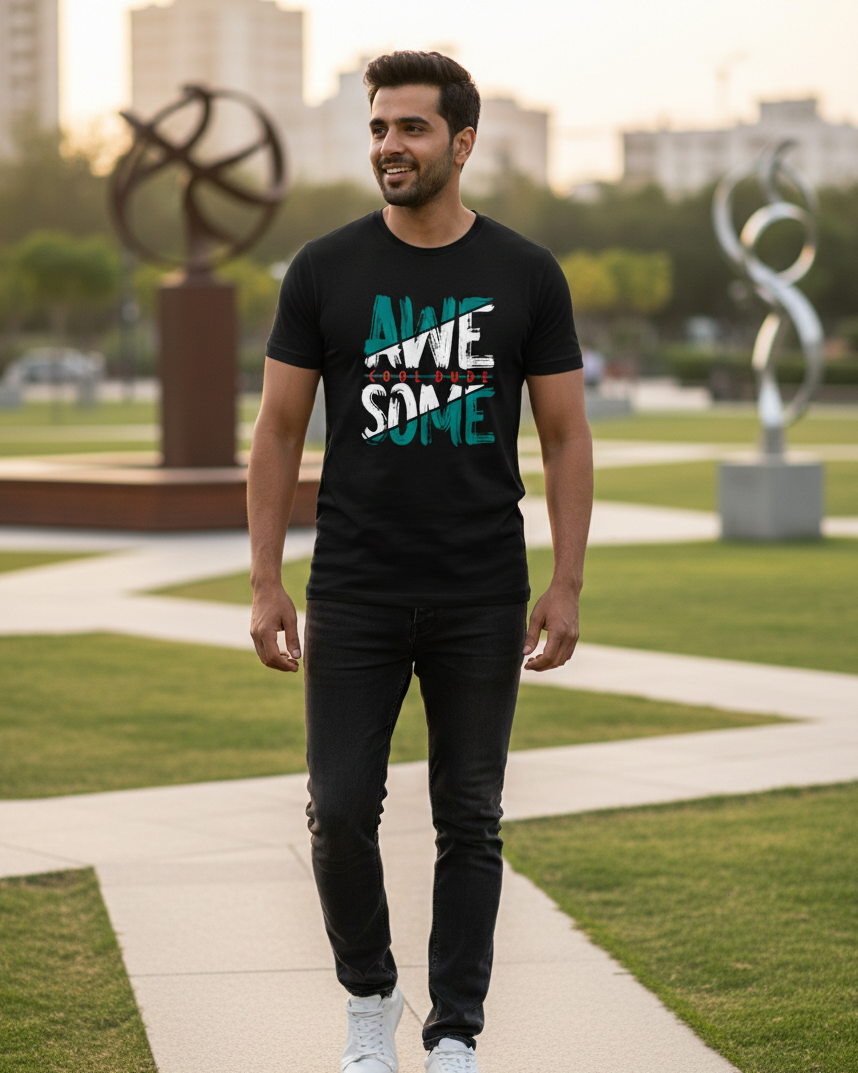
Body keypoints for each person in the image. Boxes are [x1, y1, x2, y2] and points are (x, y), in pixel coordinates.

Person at [248, 50, 593, 1073]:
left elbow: (567, 435)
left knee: (470, 814)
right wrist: (266, 577)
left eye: (411, 128)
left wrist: (566, 580)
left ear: (463, 142)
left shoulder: (525, 273)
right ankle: (370, 998)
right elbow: (276, 429)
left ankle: (454, 1032)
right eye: (378, 128)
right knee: (342, 804)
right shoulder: (324, 268)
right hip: (353, 583)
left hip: (481, 586)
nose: (389, 146)